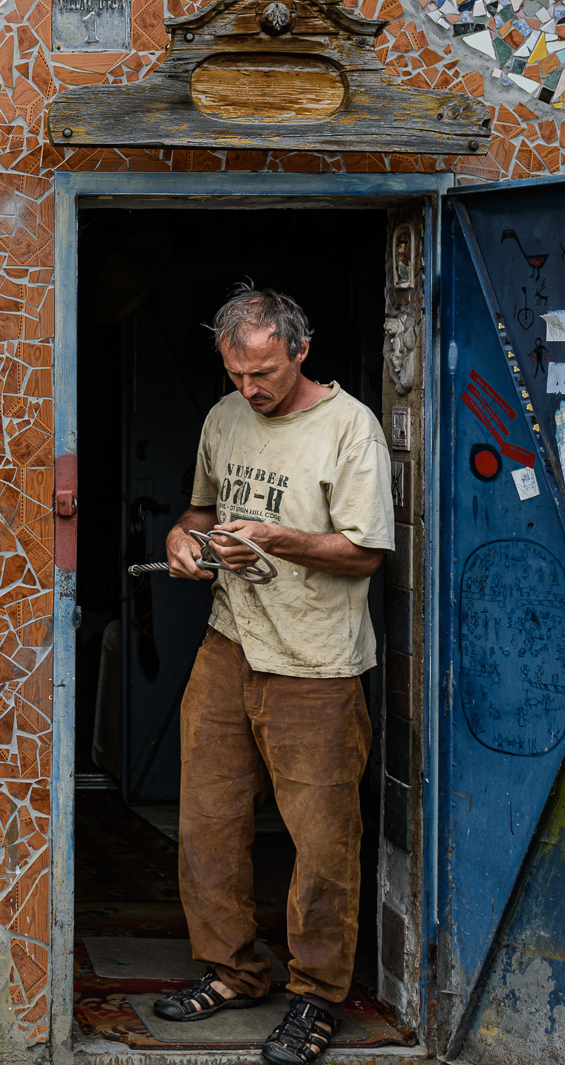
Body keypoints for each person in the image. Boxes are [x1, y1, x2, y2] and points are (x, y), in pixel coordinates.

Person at [149, 285, 394, 1065]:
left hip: (317, 663)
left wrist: (281, 539)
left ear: (300, 350)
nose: (249, 389)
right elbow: (197, 512)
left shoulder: (350, 428)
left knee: (322, 841)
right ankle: (233, 970)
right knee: (207, 821)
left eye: (263, 373)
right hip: (230, 645)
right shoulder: (223, 419)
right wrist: (184, 541)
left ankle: (317, 996)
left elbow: (365, 552)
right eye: (235, 373)